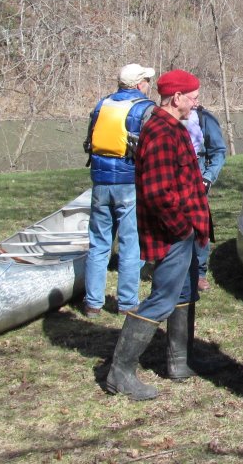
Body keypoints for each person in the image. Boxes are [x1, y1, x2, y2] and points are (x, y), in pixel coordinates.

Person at [104, 69, 211, 401]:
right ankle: (119, 372)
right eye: (193, 98)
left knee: (183, 292)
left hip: (184, 232)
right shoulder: (161, 132)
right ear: (176, 98)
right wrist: (182, 229)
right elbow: (157, 193)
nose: (196, 104)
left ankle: (179, 363)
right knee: (162, 299)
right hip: (171, 235)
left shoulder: (173, 128)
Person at [82, 63, 156, 317]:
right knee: (130, 244)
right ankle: (127, 304)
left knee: (98, 244)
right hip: (128, 184)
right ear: (139, 85)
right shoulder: (146, 108)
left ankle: (93, 303)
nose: (149, 84)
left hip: (100, 183)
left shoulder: (102, 104)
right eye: (147, 80)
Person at [182, 105, 227, 291]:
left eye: (196, 96)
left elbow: (218, 152)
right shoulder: (165, 117)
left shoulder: (204, 118)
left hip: (197, 181)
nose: (195, 100)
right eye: (192, 95)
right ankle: (174, 269)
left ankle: (199, 273)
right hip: (171, 181)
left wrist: (207, 178)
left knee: (200, 228)